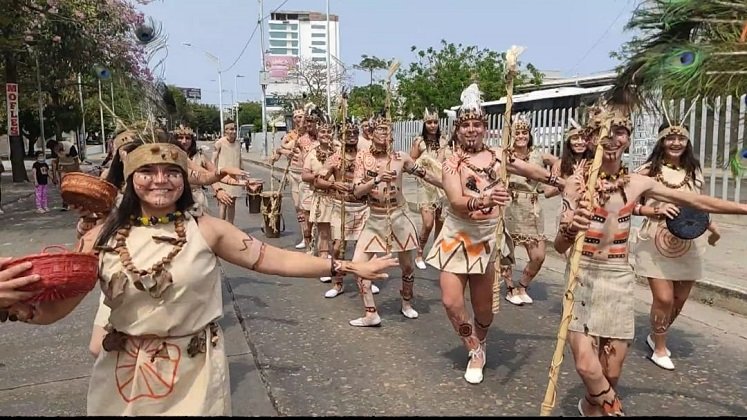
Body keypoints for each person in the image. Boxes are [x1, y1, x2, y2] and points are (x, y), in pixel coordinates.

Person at [2, 140, 397, 416]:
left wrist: (344, 266)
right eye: (148, 172)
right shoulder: (100, 236)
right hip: (122, 369)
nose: (160, 180)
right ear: (131, 181)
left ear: (184, 180)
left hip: (192, 371)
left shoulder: (207, 229)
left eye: (171, 172)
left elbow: (272, 259)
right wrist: (17, 306)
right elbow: (58, 307)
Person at [555, 104, 747, 416]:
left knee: (611, 371)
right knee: (587, 367)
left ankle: (592, 407)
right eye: (604, 131)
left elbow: (695, 200)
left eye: (620, 131)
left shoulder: (637, 183)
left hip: (618, 276)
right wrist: (570, 227)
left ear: (628, 139)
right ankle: (614, 410)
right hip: (582, 276)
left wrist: (742, 209)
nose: (612, 138)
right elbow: (560, 244)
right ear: (591, 138)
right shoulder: (576, 183)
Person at [425, 83, 563, 385]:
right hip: (457, 234)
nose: (471, 130)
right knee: (451, 302)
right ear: (458, 129)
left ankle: (482, 338)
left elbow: (532, 171)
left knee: (484, 310)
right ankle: (474, 348)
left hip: (488, 238)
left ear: (484, 127)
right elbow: (457, 202)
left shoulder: (500, 155)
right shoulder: (451, 160)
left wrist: (562, 182)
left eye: (477, 124)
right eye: (466, 125)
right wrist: (485, 199)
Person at [632, 121, 721, 371]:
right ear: (661, 141)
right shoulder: (648, 171)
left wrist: (712, 226)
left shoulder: (694, 170)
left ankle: (655, 334)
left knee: (679, 299)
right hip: (655, 241)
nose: (676, 143)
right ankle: (659, 347)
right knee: (664, 298)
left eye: (681, 138)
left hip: (689, 241)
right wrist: (654, 209)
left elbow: (698, 204)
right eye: (670, 138)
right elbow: (628, 204)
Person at [348, 113, 443, 327]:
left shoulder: (401, 157)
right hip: (375, 218)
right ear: (371, 134)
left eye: (387, 130)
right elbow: (356, 191)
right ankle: (371, 313)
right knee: (358, 265)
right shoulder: (363, 157)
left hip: (400, 217)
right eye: (379, 130)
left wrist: (450, 186)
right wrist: (377, 179)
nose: (384, 134)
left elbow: (425, 175)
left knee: (407, 266)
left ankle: (407, 303)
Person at [315, 120, 379, 298]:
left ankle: (366, 280)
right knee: (337, 247)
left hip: (362, 207)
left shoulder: (365, 156)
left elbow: (376, 175)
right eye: (347, 134)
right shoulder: (335, 158)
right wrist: (334, 183)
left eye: (354, 133)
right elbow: (318, 180)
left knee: (365, 247)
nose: (351, 136)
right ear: (340, 137)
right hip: (341, 206)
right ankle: (338, 282)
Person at [500, 115, 559, 306]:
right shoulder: (505, 155)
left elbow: (558, 161)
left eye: (524, 132)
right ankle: (509, 287)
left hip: (532, 208)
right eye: (517, 133)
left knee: (538, 255)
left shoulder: (538, 155)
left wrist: (553, 181)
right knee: (505, 251)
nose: (521, 136)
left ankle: (522, 285)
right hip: (510, 204)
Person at [409, 108, 448, 270]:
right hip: (425, 187)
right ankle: (419, 253)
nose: (432, 125)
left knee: (441, 221)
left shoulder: (444, 140)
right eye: (429, 122)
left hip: (442, 185)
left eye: (435, 122)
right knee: (428, 223)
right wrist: (421, 170)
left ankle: (436, 253)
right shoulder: (419, 141)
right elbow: (411, 161)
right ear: (424, 124)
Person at [302, 114, 336, 281]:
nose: (326, 135)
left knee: (337, 234)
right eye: (323, 132)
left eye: (329, 132)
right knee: (323, 232)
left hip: (337, 197)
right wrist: (318, 177)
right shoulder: (312, 153)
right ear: (319, 133)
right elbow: (304, 175)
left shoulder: (338, 151)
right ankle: (324, 266)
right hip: (321, 197)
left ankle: (337, 263)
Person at [270, 103, 308, 248]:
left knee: (309, 208)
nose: (299, 119)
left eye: (301, 117)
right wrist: (281, 153)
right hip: (294, 174)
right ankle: (305, 236)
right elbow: (277, 153)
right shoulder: (289, 135)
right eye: (296, 117)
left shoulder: (311, 134)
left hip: (308, 175)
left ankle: (315, 236)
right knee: (298, 206)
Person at [212, 119, 246, 224]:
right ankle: (222, 227)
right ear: (225, 131)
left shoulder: (237, 143)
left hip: (234, 177)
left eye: (235, 129)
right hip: (223, 177)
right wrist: (214, 176)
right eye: (231, 129)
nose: (233, 131)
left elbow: (240, 159)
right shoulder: (219, 143)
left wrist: (243, 175)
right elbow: (213, 160)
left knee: (232, 202)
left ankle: (230, 225)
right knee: (223, 203)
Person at [47, 138, 81, 211]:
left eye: (56, 149)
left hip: (72, 165)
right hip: (62, 166)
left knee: (73, 185)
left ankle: (76, 202)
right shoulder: (54, 150)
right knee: (63, 185)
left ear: (58, 145)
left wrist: (76, 171)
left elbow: (76, 160)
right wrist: (54, 177)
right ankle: (65, 204)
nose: (56, 151)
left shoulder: (70, 147)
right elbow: (54, 163)